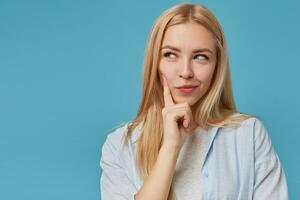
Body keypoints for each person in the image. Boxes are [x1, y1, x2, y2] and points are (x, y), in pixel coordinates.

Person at [99, 2, 288, 200]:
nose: (186, 72)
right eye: (170, 55)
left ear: (217, 65)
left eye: (200, 57)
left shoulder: (249, 135)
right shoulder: (120, 146)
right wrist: (170, 146)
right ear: (155, 62)